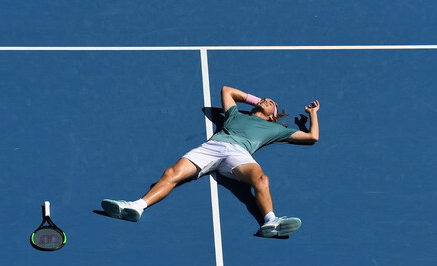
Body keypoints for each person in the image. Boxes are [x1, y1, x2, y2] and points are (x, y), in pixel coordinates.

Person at [101, 86, 320, 238]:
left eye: (271, 103)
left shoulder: (276, 129)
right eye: (265, 98)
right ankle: (136, 207)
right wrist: (257, 101)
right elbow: (227, 90)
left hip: (240, 154)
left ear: (273, 116)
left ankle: (270, 221)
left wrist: (313, 114)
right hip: (213, 147)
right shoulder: (235, 115)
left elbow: (312, 137)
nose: (267, 100)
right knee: (171, 173)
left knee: (261, 178)